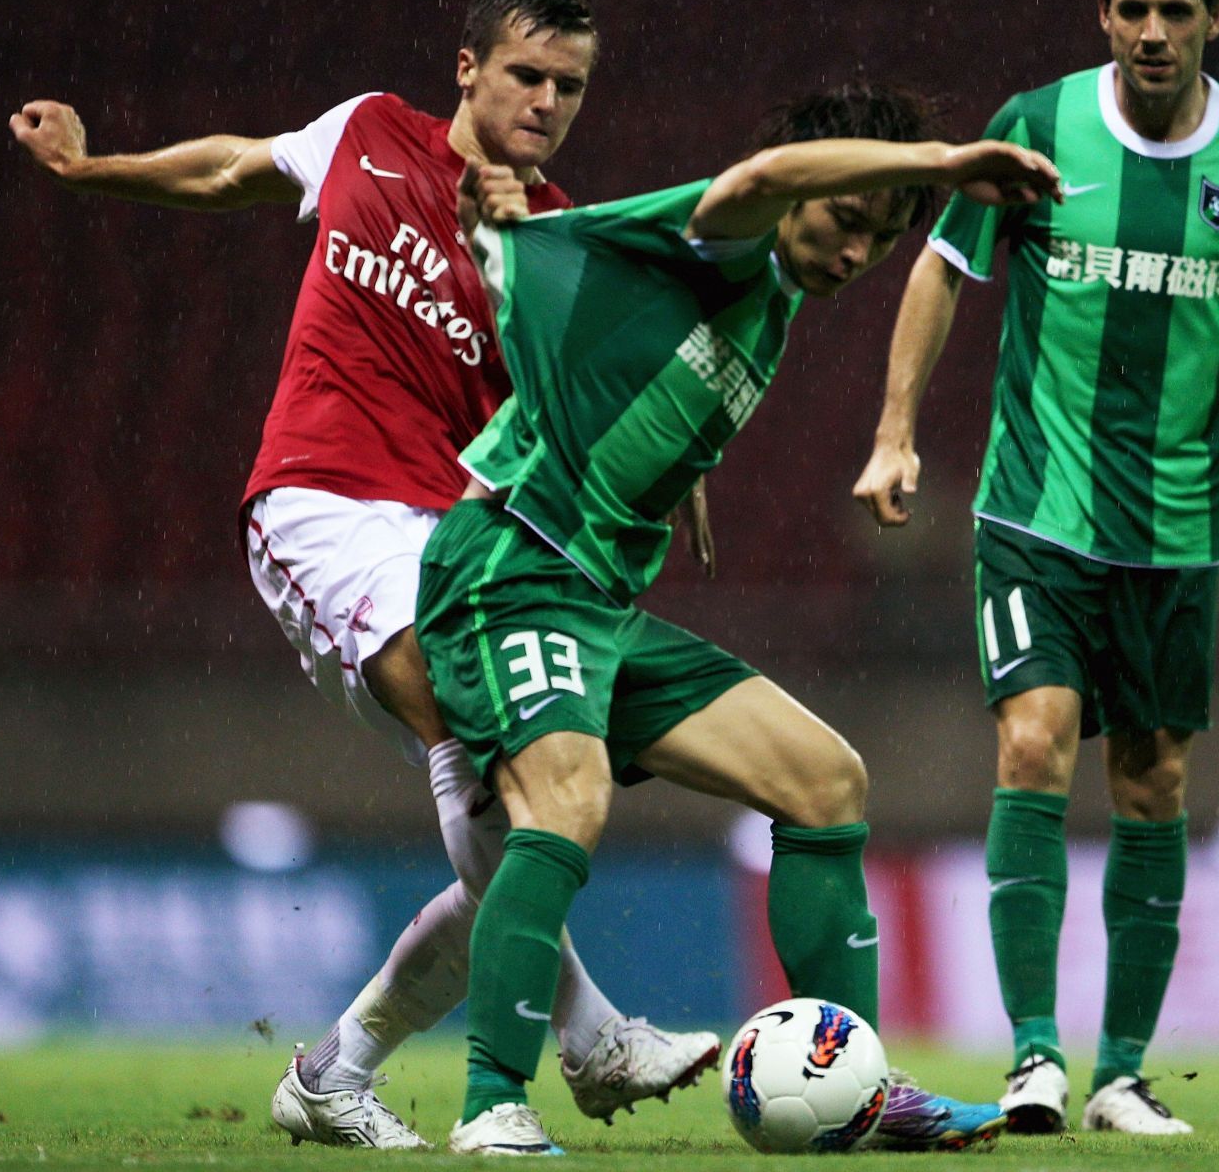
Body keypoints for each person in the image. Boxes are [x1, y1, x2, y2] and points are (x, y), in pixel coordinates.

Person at [8, 0, 719, 1150]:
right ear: (467, 68)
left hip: (448, 538)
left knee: (514, 810)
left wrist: (679, 462)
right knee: (470, 745)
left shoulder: (552, 240)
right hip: (322, 499)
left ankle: (337, 1068)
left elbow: (608, 392)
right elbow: (235, 167)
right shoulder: (368, 130)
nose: (547, 102)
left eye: (570, 87)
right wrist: (93, 170)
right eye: (527, 75)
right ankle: (589, 1036)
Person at [420, 84, 1061, 1155]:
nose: (855, 253)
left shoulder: (772, 301)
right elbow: (760, 180)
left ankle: (857, 1083)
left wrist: (679, 474)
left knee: (826, 779)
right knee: (567, 802)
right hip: (512, 562)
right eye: (844, 218)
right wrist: (946, 166)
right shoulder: (733, 235)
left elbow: (625, 350)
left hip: (602, 600)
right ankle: (492, 1101)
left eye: (878, 239)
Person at [852, 0, 1219, 1138]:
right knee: (1033, 741)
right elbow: (940, 268)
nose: (1153, 33)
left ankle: (1120, 1072)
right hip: (1035, 511)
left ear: (1215, 20)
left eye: (1178, 12)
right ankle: (1032, 1053)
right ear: (1102, 12)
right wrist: (895, 429)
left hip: (1175, 532)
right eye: (1133, 8)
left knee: (1154, 778)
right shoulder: (1033, 128)